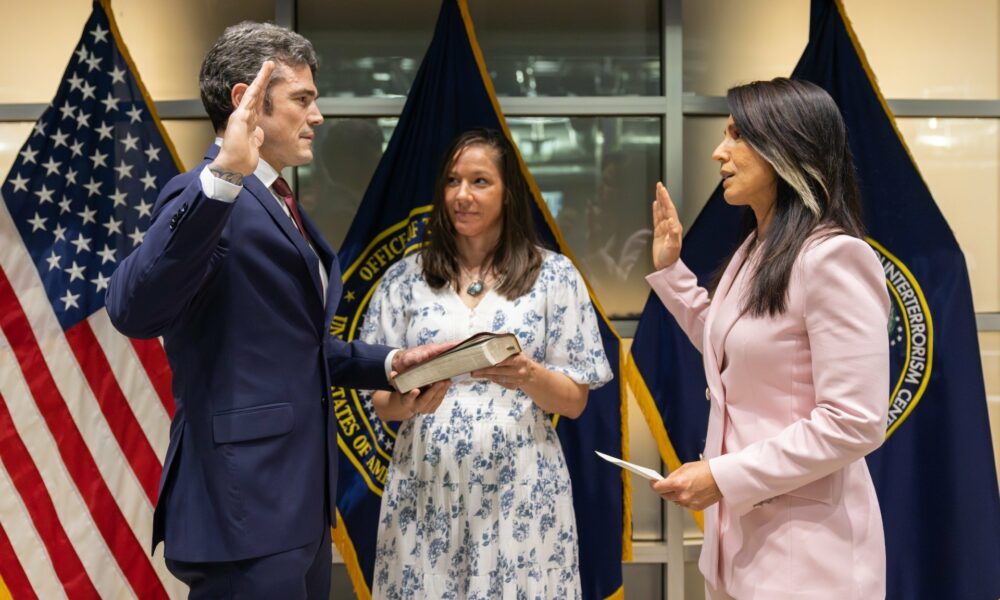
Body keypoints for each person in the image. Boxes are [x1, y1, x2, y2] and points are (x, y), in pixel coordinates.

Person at [105, 22, 448, 599]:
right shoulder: (204, 193)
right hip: (242, 512)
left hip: (297, 509)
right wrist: (222, 178)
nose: (317, 116)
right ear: (247, 100)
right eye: (303, 99)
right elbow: (133, 308)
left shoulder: (277, 200)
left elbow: (288, 346)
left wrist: (390, 364)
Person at [645, 78, 890, 599]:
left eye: (737, 136)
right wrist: (671, 272)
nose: (719, 152)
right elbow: (731, 345)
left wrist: (724, 476)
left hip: (809, 556)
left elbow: (855, 421)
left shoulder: (834, 257)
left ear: (786, 147)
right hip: (740, 546)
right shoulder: (759, 248)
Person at [359, 128, 613, 599]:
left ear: (508, 191)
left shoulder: (554, 276)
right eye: (452, 181)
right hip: (426, 484)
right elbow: (380, 402)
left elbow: (575, 401)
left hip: (521, 486)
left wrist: (528, 375)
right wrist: (409, 402)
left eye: (479, 181)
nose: (462, 195)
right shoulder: (403, 279)